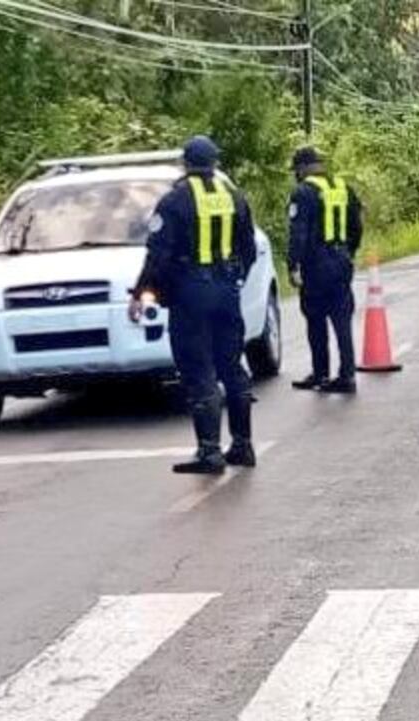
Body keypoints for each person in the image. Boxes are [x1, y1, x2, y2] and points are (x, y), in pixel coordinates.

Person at [131, 136, 258, 475]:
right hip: (226, 291)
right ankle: (243, 445)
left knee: (198, 369)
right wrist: (233, 278)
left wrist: (142, 293)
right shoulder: (235, 198)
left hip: (191, 295)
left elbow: (158, 255)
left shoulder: (174, 201)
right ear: (215, 163)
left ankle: (209, 452)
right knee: (232, 366)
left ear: (185, 163)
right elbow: (248, 248)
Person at [287, 146, 363, 395]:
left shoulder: (303, 192)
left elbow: (299, 233)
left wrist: (293, 265)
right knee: (342, 320)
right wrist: (349, 251)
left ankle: (321, 373)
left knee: (316, 320)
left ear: (302, 168)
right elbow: (356, 224)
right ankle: (347, 375)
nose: (296, 174)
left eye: (296, 169)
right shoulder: (342, 187)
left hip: (316, 264)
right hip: (341, 259)